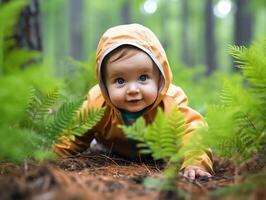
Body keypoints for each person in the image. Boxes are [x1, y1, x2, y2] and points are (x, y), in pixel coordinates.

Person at [54, 24, 213, 180]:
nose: (132, 89)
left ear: (159, 78)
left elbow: (193, 130)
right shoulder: (97, 103)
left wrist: (195, 162)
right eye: (120, 80)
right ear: (104, 84)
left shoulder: (170, 103)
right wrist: (52, 156)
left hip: (160, 154)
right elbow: (74, 133)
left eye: (143, 78)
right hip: (114, 150)